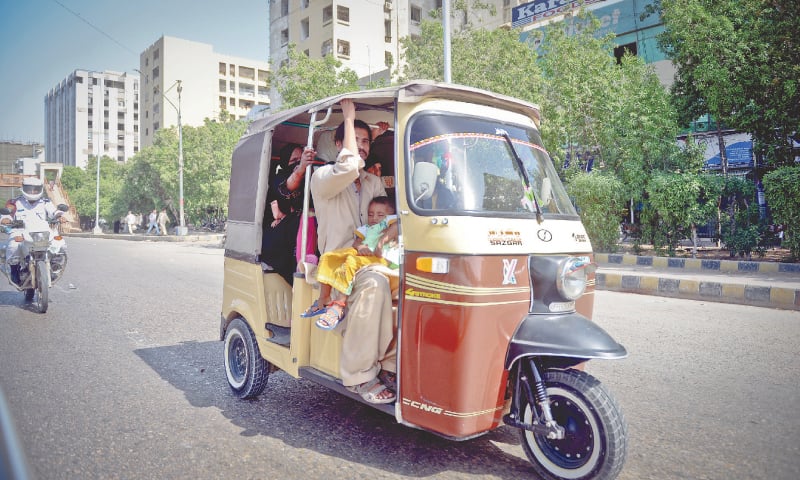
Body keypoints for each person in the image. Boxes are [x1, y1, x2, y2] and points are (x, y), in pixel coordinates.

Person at [309, 99, 396, 404]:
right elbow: (348, 165)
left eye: (364, 142)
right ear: (339, 143)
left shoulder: (373, 182)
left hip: (370, 261)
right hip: (337, 270)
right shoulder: (322, 179)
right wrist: (348, 117)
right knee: (375, 284)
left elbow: (388, 220)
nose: (360, 147)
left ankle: (389, 365)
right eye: (353, 140)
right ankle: (359, 376)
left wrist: (389, 236)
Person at [308, 196, 399, 330]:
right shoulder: (366, 228)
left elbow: (397, 226)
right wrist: (361, 247)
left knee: (350, 261)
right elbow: (357, 242)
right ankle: (324, 298)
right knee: (328, 257)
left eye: (380, 214)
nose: (374, 218)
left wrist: (382, 242)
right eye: (370, 214)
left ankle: (339, 305)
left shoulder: (389, 223)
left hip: (381, 259)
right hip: (366, 257)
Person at [260, 143, 315, 285]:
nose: (297, 163)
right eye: (294, 161)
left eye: (300, 159)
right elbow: (287, 188)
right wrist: (301, 168)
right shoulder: (280, 178)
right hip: (281, 231)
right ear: (285, 163)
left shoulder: (311, 177)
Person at [3, 177, 66, 285]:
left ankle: (54, 265)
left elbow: (54, 212)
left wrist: (60, 216)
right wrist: (6, 219)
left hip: (42, 231)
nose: (32, 192)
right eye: (29, 189)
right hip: (20, 231)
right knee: (13, 245)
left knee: (60, 243)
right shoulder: (14, 202)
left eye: (35, 189)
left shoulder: (45, 202)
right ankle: (14, 269)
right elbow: (7, 213)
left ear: (40, 189)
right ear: (23, 188)